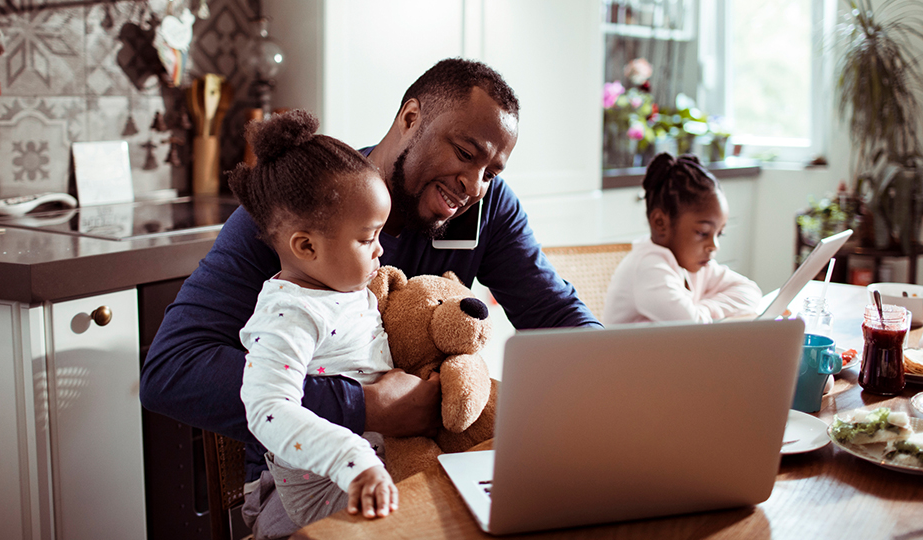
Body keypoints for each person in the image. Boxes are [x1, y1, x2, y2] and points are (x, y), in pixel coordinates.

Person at [140, 58, 600, 537]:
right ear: (410, 119)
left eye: (492, 171)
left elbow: (554, 312)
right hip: (314, 480)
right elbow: (172, 371)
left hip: (428, 459)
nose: (474, 185)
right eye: (465, 152)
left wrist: (620, 377)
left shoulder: (487, 207)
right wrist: (366, 405)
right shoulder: (305, 211)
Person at [229, 110, 397, 530]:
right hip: (328, 490)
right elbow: (268, 408)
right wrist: (351, 459)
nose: (379, 251)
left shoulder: (340, 289)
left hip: (377, 467)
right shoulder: (289, 313)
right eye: (367, 238)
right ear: (305, 246)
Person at [603, 153, 762, 324]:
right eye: (703, 233)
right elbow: (692, 325)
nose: (714, 246)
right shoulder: (648, 267)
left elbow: (750, 291)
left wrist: (705, 309)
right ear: (660, 223)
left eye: (719, 234)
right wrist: (703, 312)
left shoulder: (695, 265)